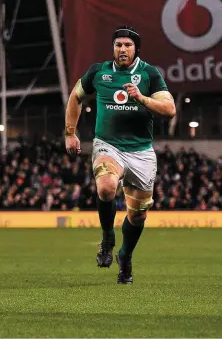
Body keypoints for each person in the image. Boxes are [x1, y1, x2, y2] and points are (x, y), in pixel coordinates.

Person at [64, 26, 176, 284]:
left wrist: (142, 98)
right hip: (108, 145)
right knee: (106, 185)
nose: (122, 49)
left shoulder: (149, 74)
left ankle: (125, 257)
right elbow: (75, 96)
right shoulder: (98, 72)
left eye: (127, 45)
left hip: (141, 152)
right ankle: (107, 237)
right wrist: (71, 132)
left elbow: (169, 109)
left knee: (138, 216)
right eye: (118, 45)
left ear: (136, 49)